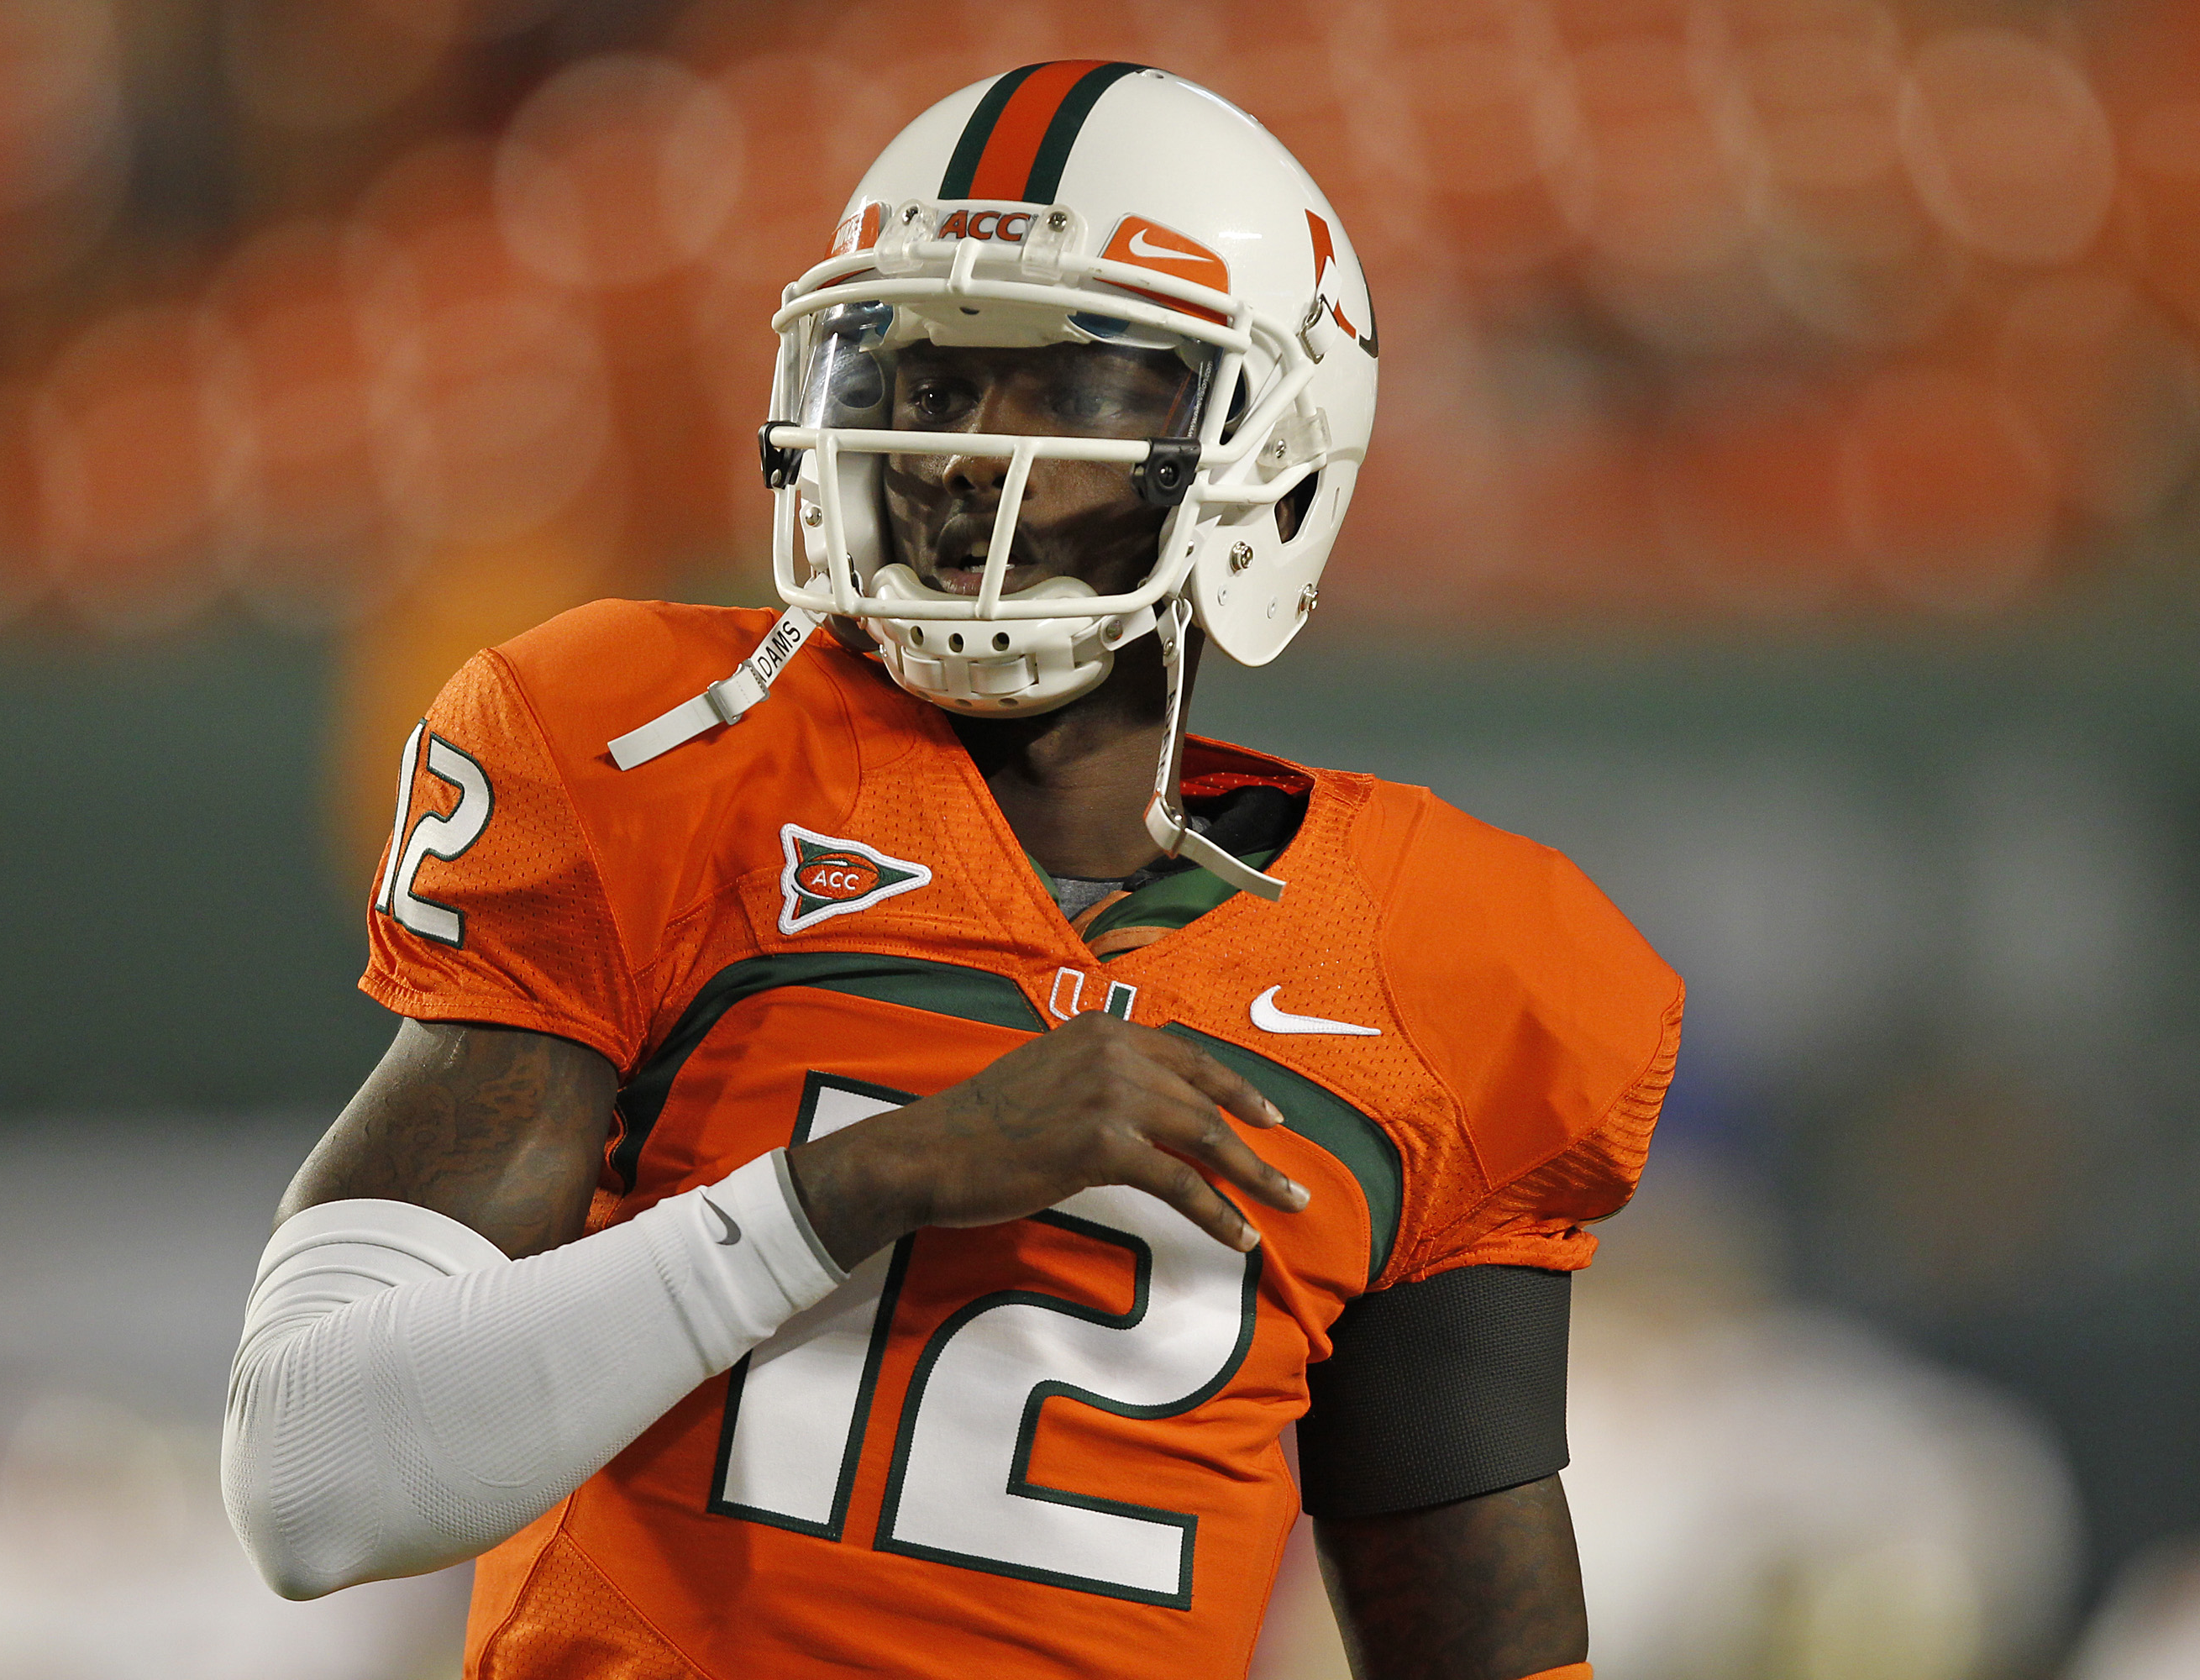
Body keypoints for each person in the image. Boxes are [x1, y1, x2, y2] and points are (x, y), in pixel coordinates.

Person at [221, 61, 1682, 1680]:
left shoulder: (1461, 969)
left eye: (1065, 388)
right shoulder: (648, 761)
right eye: (921, 377)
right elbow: (313, 1478)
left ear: (1269, 451)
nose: (955, 454)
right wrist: (875, 1179)